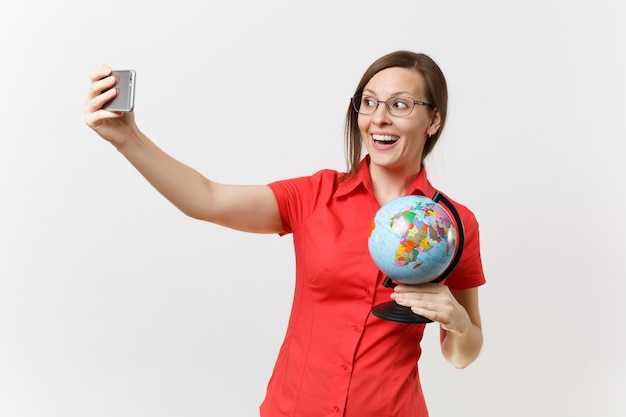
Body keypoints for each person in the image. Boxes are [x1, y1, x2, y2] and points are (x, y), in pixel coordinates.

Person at [85, 50, 486, 417]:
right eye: (368, 103)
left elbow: (462, 355)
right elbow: (206, 199)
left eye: (400, 105)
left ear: (433, 119)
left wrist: (458, 324)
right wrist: (128, 138)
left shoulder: (453, 224)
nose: (379, 117)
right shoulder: (314, 195)